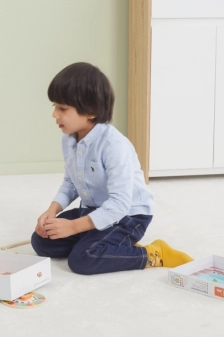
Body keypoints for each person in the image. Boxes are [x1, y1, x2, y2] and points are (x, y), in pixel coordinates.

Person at [31, 62, 192, 275]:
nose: (54, 114)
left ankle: (153, 254)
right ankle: (108, 246)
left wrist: (72, 227)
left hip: (128, 215)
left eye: (62, 108)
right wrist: (51, 212)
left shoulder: (114, 146)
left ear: (90, 111)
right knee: (42, 242)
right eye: (54, 106)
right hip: (94, 210)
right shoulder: (68, 140)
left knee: (83, 259)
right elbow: (70, 183)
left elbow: (120, 204)